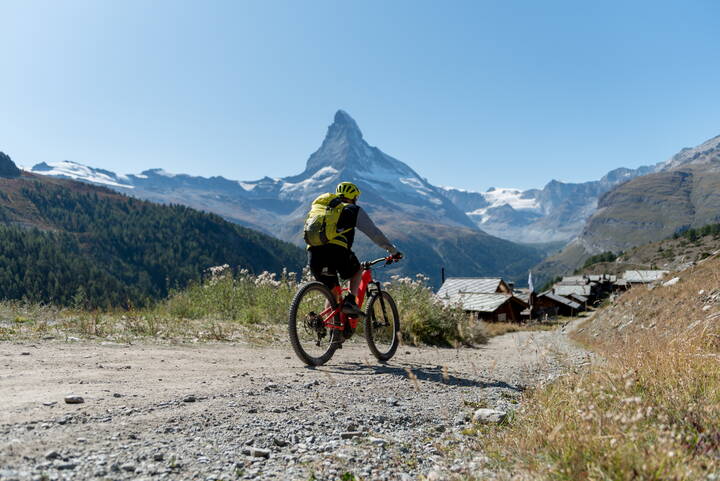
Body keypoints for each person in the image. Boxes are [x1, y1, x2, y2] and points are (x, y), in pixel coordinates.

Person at [306, 181, 403, 319]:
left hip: (314, 252)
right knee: (358, 269)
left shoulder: (325, 209)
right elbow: (374, 233)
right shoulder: (352, 209)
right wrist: (392, 250)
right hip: (336, 251)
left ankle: (324, 326)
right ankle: (351, 300)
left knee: (333, 293)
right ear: (353, 197)